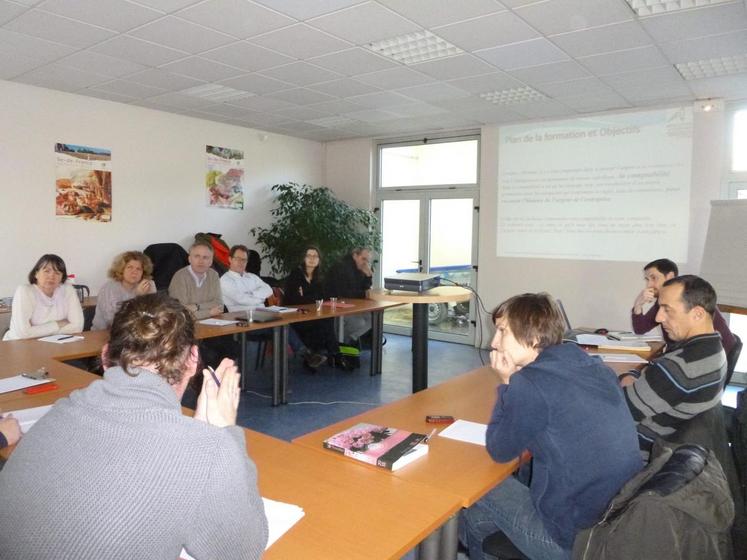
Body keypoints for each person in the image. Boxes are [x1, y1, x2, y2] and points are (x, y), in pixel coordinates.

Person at [0, 293, 268, 558]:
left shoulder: (59, 412)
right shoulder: (207, 449)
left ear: (105, 357)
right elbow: (242, 551)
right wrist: (225, 435)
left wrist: (201, 443)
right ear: (193, 360)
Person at [459, 293, 642, 560]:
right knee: (475, 519)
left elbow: (499, 450)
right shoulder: (593, 366)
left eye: (502, 332)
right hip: (616, 520)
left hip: (572, 540)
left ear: (533, 338)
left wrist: (508, 382)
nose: (493, 343)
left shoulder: (529, 384)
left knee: (474, 483)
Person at [621, 275, 728, 457]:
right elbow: (655, 378)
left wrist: (624, 379)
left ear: (697, 314)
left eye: (667, 309)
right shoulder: (714, 349)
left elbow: (617, 411)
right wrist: (634, 377)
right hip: (663, 438)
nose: (658, 317)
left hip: (634, 450)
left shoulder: (680, 367)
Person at [632, 258, 735, 354]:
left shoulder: (690, 297)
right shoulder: (666, 301)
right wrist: (638, 305)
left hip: (707, 357)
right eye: (647, 279)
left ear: (670, 276)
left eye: (653, 278)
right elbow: (640, 329)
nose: (649, 285)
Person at [284, 246, 346, 371]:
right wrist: (312, 298)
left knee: (325, 320)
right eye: (309, 256)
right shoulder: (295, 275)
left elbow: (325, 297)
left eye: (315, 256)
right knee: (322, 322)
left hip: (313, 315)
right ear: (303, 258)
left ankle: (317, 356)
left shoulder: (320, 277)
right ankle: (334, 355)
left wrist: (306, 296)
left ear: (319, 260)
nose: (312, 259)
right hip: (296, 316)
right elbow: (294, 299)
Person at [3, 254, 84, 340]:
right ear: (36, 274)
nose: (51, 276)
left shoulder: (68, 290)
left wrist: (35, 330)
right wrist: (58, 324)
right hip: (18, 346)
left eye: (57, 273)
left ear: (62, 278)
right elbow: (23, 333)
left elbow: (78, 327)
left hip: (56, 344)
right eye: (47, 271)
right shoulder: (25, 291)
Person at [91, 250, 156, 330]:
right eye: (129, 267)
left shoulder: (148, 285)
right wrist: (137, 297)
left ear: (143, 272)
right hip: (105, 332)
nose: (134, 272)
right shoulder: (109, 289)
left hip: (140, 332)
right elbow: (114, 321)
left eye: (138, 269)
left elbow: (153, 315)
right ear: (121, 270)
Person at [326, 247, 373, 345]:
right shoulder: (342, 267)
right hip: (335, 304)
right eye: (363, 259)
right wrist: (364, 293)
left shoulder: (358, 268)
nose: (365, 263)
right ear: (355, 255)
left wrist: (368, 276)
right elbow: (345, 293)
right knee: (359, 323)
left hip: (350, 304)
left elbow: (364, 289)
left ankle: (348, 340)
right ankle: (342, 343)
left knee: (372, 319)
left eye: (367, 260)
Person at [169, 241, 224, 319]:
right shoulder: (180, 277)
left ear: (211, 262)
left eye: (205, 257)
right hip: (186, 325)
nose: (201, 261)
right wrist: (209, 312)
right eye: (197, 256)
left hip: (212, 321)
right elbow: (180, 313)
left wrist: (196, 307)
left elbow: (219, 305)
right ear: (189, 259)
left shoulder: (214, 275)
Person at [220, 245, 273, 312]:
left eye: (244, 260)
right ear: (230, 259)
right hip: (241, 318)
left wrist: (253, 294)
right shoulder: (225, 280)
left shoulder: (252, 276)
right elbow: (241, 300)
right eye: (238, 259)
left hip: (263, 314)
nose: (241, 262)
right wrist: (261, 299)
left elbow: (268, 290)